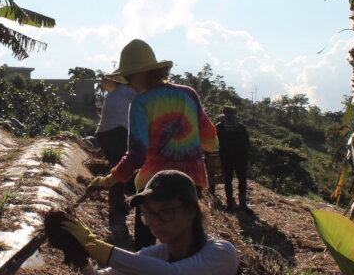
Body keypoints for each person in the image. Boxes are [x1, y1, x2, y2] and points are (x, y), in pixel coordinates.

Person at [59, 170, 263, 275]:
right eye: (149, 214)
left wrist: (94, 244)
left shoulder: (220, 253)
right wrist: (79, 255)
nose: (156, 222)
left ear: (191, 211)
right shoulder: (157, 255)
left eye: (166, 211)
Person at [87, 39, 219, 248]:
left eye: (130, 76)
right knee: (192, 246)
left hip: (156, 185)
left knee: (146, 246)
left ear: (142, 73)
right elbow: (211, 140)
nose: (128, 83)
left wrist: (109, 180)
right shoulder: (188, 93)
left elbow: (137, 156)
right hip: (190, 183)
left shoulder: (141, 103)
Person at [95, 76, 137, 223]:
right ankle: (116, 206)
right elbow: (143, 102)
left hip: (103, 133)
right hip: (117, 131)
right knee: (121, 168)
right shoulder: (127, 91)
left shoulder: (112, 94)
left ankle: (117, 202)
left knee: (117, 166)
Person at [215, 106, 251, 212]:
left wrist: (207, 154)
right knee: (242, 179)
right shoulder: (241, 127)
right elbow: (247, 143)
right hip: (241, 156)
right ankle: (243, 204)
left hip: (226, 156)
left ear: (224, 114)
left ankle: (230, 204)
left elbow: (213, 142)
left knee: (228, 180)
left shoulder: (219, 126)